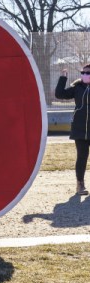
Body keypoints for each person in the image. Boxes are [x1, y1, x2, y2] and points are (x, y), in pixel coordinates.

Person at [55, 66, 90, 196]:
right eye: (83, 73)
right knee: (82, 157)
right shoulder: (77, 87)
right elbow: (60, 94)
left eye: (88, 73)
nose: (85, 74)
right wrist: (63, 77)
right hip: (79, 130)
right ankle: (80, 184)